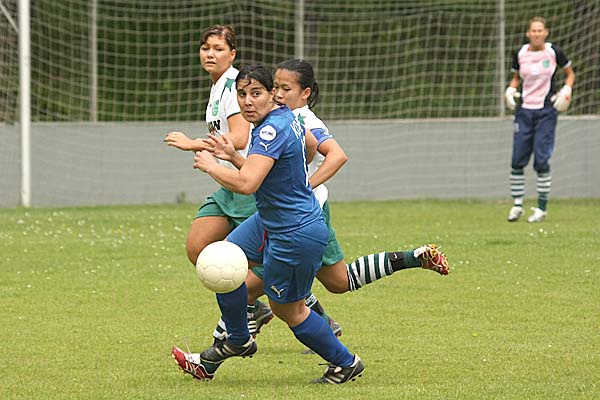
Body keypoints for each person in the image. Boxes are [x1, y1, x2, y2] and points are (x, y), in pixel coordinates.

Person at [205, 59, 450, 353]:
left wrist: (304, 185)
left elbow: (336, 155)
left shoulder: (302, 120)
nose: (279, 94)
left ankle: (231, 342)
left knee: (272, 285)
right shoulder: (280, 116)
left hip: (304, 214)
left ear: (305, 92)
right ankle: (410, 259)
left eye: (285, 88)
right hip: (292, 213)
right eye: (277, 87)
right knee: (335, 281)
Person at [172, 64, 364, 384]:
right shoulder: (283, 118)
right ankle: (238, 339)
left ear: (272, 94)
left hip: (295, 231)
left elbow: (248, 184)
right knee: (224, 256)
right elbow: (285, 160)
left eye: (256, 93)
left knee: (288, 310)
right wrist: (233, 157)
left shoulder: (270, 130)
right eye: (242, 94)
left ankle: (346, 363)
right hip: (270, 220)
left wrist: (210, 166)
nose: (247, 101)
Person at [164, 25, 274, 335]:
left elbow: (239, 138)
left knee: (269, 263)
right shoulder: (218, 87)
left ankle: (313, 312)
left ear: (232, 54)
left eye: (218, 48)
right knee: (198, 247)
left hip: (247, 182)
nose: (210, 54)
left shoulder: (234, 86)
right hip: (228, 183)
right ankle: (256, 307)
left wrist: (193, 144)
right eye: (206, 48)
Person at [504, 16, 575, 223]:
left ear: (546, 33)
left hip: (546, 112)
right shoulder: (520, 53)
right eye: (533, 30)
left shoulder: (554, 52)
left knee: (541, 160)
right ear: (528, 33)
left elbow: (570, 74)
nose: (536, 34)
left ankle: (542, 209)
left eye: (540, 30)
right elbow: (516, 78)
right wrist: (510, 90)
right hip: (524, 112)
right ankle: (517, 205)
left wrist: (567, 89)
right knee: (517, 159)